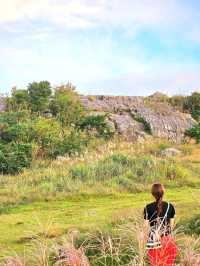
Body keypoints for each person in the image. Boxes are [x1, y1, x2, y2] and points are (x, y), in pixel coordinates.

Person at [144, 183, 177, 266]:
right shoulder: (170, 206)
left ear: (152, 194)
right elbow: (171, 227)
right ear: (163, 192)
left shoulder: (147, 207)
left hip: (154, 242)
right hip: (168, 241)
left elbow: (145, 228)